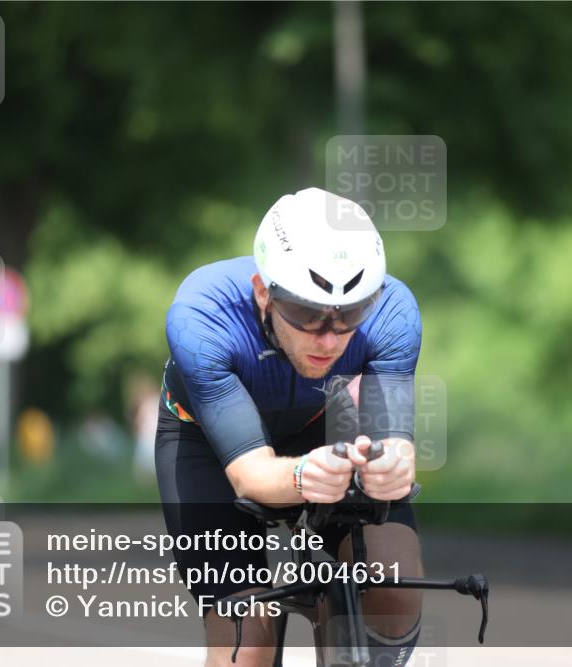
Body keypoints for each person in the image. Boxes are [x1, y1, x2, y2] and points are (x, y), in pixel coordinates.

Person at [155, 187, 423, 667]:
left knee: (395, 585)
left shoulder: (393, 313)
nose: (327, 337)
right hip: (209, 443)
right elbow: (249, 474)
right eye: (304, 313)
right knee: (247, 648)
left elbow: (394, 441)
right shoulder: (202, 318)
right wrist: (302, 477)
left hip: (319, 423)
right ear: (264, 291)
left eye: (350, 315)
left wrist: (393, 466)